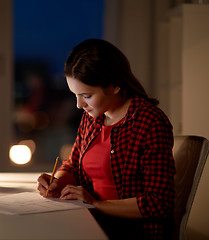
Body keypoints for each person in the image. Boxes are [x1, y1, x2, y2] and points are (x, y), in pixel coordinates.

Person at [37, 39, 175, 239]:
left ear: (115, 85)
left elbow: (159, 203)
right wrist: (55, 182)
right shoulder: (92, 117)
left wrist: (95, 204)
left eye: (86, 95)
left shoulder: (149, 122)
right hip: (91, 220)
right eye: (75, 95)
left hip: (132, 231)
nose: (79, 105)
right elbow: (74, 165)